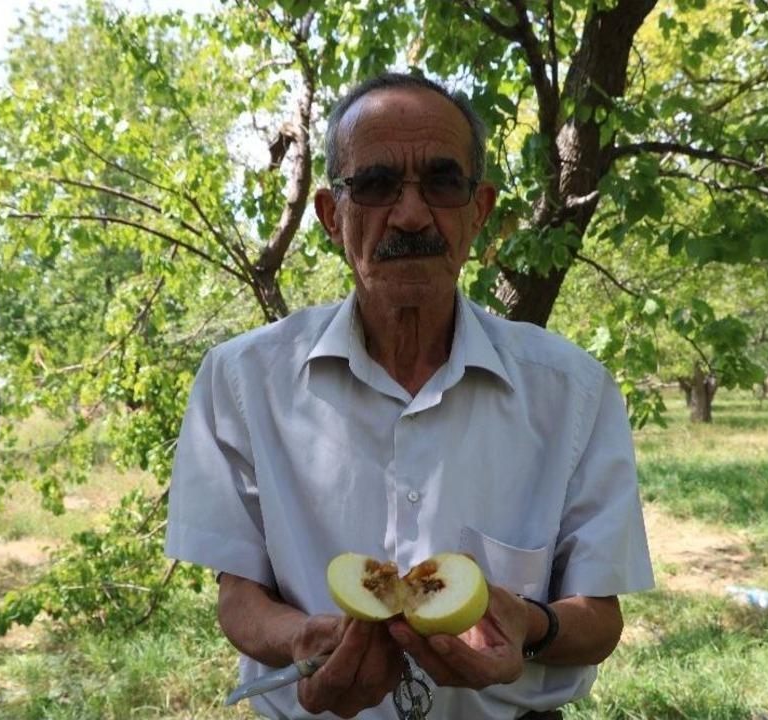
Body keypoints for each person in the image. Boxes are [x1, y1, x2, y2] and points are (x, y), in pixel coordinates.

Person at [165, 72, 655, 719]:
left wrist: (531, 628)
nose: (411, 214)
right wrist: (300, 640)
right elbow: (238, 595)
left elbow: (600, 617)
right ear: (331, 217)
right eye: (374, 185)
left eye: (442, 183)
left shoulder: (573, 391)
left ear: (478, 211)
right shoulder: (241, 380)